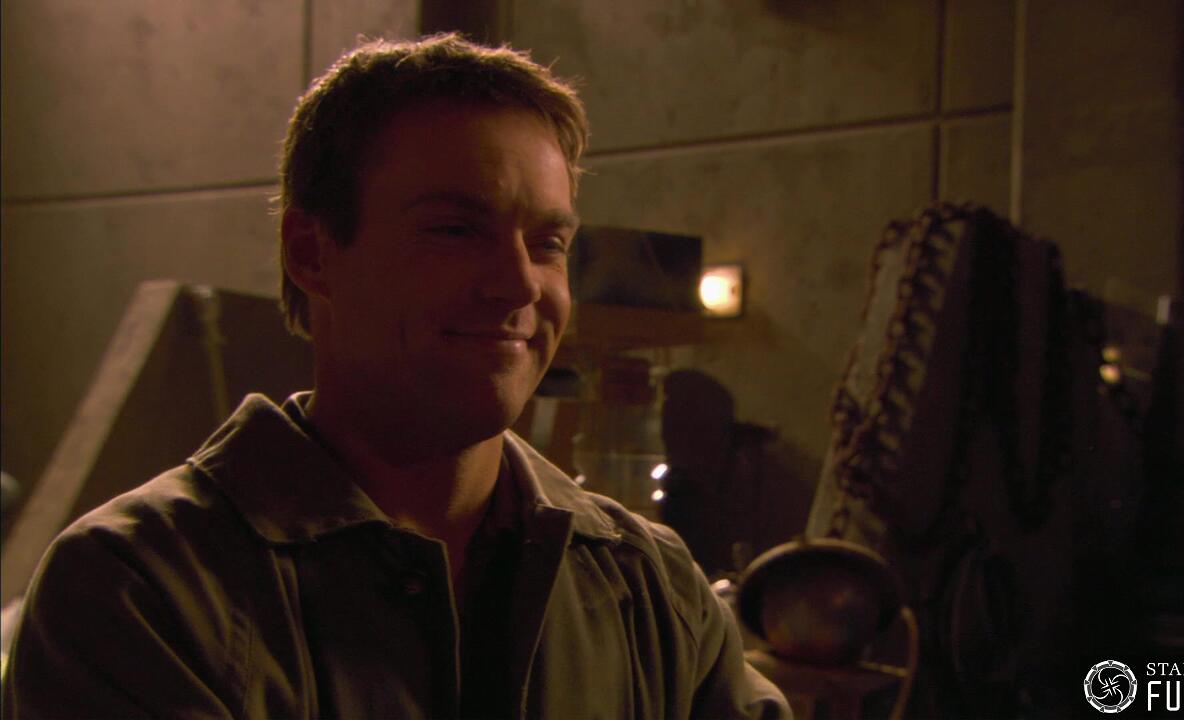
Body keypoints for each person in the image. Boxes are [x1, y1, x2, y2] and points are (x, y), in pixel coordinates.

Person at [1, 34, 790, 719]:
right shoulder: (142, 590)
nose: (518, 283)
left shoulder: (650, 587)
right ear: (311, 253)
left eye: (548, 243)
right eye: (456, 230)